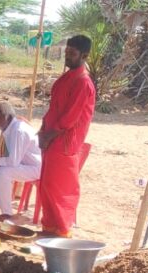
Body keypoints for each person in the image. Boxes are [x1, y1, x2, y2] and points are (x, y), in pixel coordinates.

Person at [38, 35, 96, 237]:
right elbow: (53, 109)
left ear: (84, 55)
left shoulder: (83, 82)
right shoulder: (67, 77)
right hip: (51, 139)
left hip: (64, 143)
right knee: (46, 185)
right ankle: (49, 228)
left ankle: (62, 231)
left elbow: (69, 118)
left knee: (60, 189)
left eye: (72, 53)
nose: (67, 56)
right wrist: (42, 131)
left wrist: (48, 136)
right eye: (67, 52)